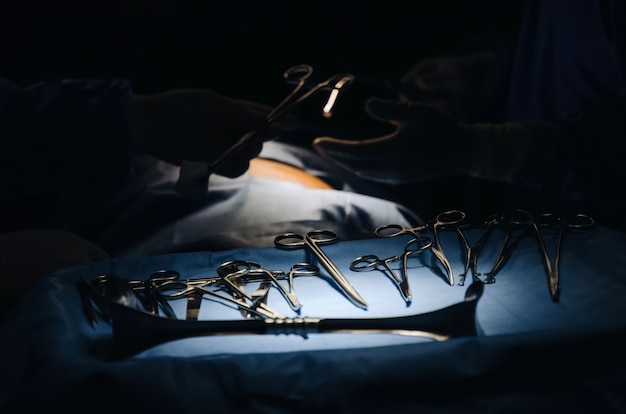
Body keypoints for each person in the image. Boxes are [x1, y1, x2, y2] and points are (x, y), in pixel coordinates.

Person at [0, 77, 421, 320]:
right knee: (359, 217)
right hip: (61, 237)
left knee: (344, 200)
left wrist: (135, 119)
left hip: (77, 177)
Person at [313, 0, 626, 231]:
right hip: (539, 226)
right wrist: (494, 71)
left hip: (601, 242)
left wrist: (486, 151)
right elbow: (579, 44)